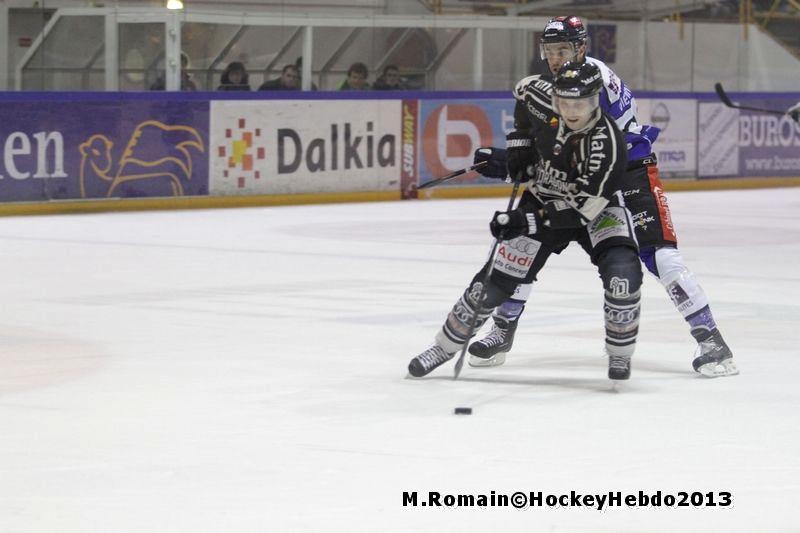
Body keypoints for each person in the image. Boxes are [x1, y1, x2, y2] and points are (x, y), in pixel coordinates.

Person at [468, 15, 738, 378]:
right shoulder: (563, 82)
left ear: (581, 48)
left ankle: (711, 339)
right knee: (524, 244)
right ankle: (503, 330)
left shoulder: (587, 83)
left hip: (628, 171)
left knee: (660, 254)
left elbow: (576, 155)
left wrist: (506, 164)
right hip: (587, 176)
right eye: (549, 50)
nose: (555, 58)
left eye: (563, 49)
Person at [408, 62, 642, 381]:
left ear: (595, 101)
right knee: (492, 283)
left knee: (622, 275)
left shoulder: (607, 143)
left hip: (596, 211)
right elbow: (523, 91)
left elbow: (582, 208)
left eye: (581, 104)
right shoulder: (543, 100)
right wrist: (515, 150)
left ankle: (620, 353)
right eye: (564, 103)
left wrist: (525, 220)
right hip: (543, 201)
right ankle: (443, 347)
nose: (571, 112)